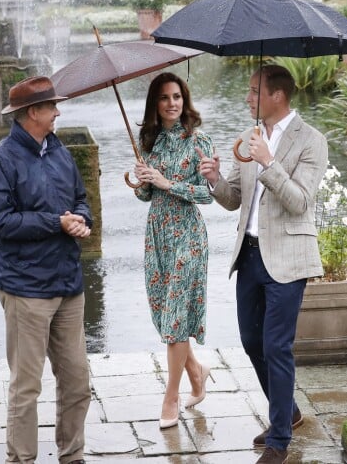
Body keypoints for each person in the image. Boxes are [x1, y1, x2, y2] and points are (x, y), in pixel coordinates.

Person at [198, 65, 328, 464]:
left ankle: (280, 442)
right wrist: (216, 179)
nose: (248, 98)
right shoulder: (248, 138)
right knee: (252, 342)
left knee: (276, 346)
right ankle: (286, 410)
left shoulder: (312, 141)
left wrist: (270, 163)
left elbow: (300, 202)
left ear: (278, 96)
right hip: (249, 255)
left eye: (255, 91)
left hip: (288, 257)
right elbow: (234, 197)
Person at [0, 75, 92, 464]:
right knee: (26, 387)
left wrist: (80, 219)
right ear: (33, 113)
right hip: (25, 289)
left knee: (78, 381)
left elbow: (80, 198)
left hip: (68, 285)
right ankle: (21, 459)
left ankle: (72, 455)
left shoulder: (59, 151)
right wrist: (54, 223)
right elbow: (0, 226)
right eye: (51, 107)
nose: (58, 112)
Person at [133, 72, 215, 430]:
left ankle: (171, 396)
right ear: (156, 103)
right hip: (157, 235)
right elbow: (147, 196)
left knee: (177, 319)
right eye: (165, 98)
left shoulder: (199, 141)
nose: (172, 103)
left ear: (185, 100)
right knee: (167, 317)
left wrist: (168, 183)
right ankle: (197, 372)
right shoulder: (148, 142)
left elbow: (208, 194)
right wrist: (141, 182)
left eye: (177, 97)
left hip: (188, 235)